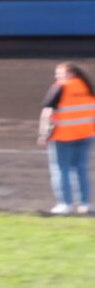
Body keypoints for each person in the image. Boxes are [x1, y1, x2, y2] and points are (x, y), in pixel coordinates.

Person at [39, 61, 95, 214]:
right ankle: (85, 204)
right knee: (81, 169)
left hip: (64, 135)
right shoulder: (87, 87)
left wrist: (44, 133)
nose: (57, 76)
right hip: (85, 134)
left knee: (61, 169)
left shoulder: (60, 87)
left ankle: (65, 203)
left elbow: (47, 111)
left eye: (60, 73)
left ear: (71, 74)